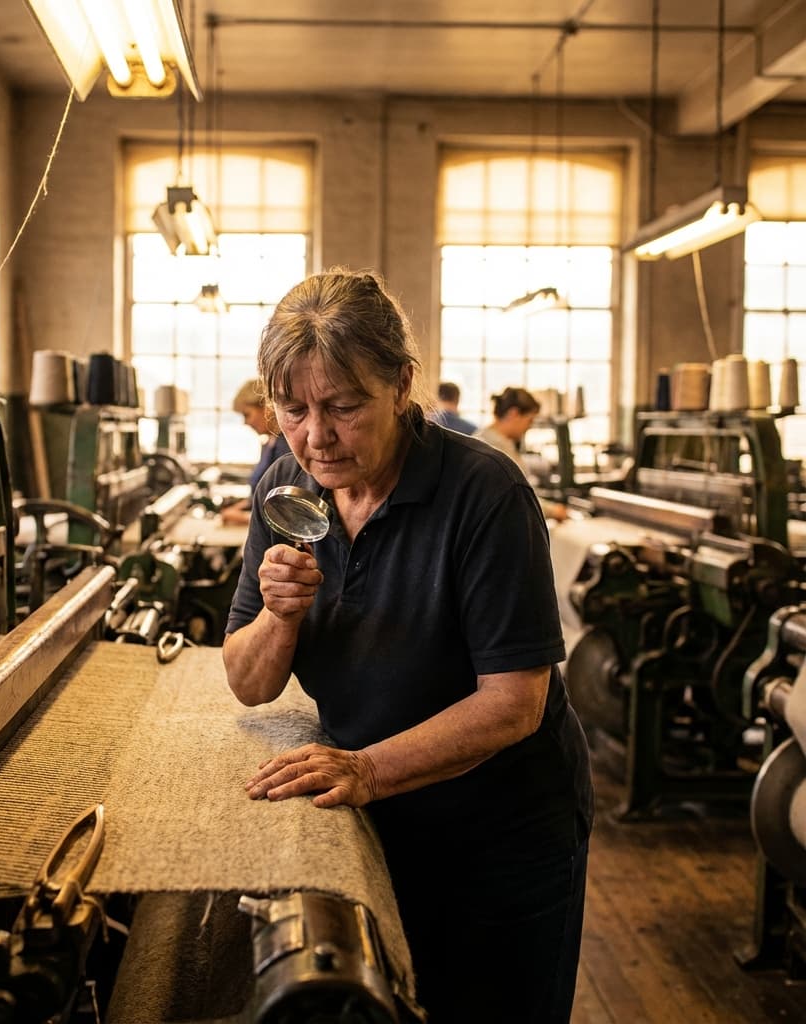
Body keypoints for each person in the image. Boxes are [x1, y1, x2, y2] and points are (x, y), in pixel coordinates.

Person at [222, 269, 593, 1023]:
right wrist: (281, 617)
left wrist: (364, 767)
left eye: (343, 408)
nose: (316, 437)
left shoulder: (485, 495)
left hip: (501, 829)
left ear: (402, 384)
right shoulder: (288, 487)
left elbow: (514, 705)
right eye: (293, 410)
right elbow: (248, 679)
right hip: (382, 815)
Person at [476, 386, 570, 522]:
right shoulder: (494, 448)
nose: (529, 427)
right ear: (514, 414)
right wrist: (552, 511)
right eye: (529, 420)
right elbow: (515, 497)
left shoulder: (495, 441)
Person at [220, 379, 291, 525]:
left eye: (247, 414)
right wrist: (242, 505)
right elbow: (261, 494)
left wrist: (244, 518)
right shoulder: (269, 444)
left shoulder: (287, 448)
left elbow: (287, 511)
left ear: (267, 407)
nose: (245, 423)